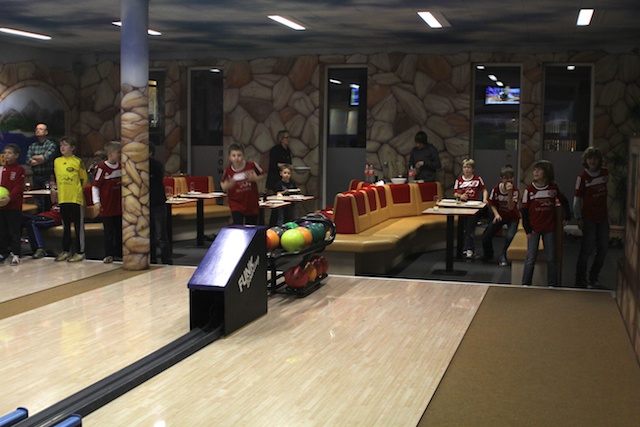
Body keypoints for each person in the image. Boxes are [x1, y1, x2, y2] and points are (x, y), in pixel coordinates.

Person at [521, 160, 570, 287]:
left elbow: (564, 201)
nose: (535, 172)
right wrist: (527, 229)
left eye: (539, 170)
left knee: (551, 258)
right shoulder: (530, 189)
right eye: (534, 170)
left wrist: (568, 216)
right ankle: (526, 283)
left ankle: (552, 284)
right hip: (534, 229)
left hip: (549, 228)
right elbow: (524, 211)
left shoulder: (553, 188)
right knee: (530, 258)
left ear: (546, 172)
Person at [573, 147, 609, 288]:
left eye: (595, 158)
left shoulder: (605, 173)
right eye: (590, 158)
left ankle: (594, 277)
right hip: (589, 218)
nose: (592, 161)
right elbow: (577, 199)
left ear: (599, 160)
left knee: (603, 248)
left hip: (603, 217)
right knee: (586, 250)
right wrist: (578, 218)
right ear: (586, 161)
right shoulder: (582, 177)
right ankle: (580, 279)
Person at [53, 136, 88, 262]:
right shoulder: (57, 161)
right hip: (63, 198)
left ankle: (80, 251)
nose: (62, 147)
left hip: (75, 198)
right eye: (61, 145)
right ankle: (66, 250)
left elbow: (84, 178)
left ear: (72, 148)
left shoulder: (77, 161)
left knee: (78, 227)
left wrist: (77, 190)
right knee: (65, 226)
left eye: (65, 145)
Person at [479, 165, 520, 266]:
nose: (509, 180)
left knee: (510, 236)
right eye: (506, 178)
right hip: (500, 215)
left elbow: (511, 207)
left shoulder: (515, 191)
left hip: (512, 217)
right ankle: (488, 254)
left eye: (511, 178)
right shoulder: (496, 189)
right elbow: (492, 203)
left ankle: (504, 256)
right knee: (486, 236)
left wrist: (509, 193)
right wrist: (496, 215)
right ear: (501, 179)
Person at [92, 141, 122, 263]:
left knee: (119, 231)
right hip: (107, 205)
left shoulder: (121, 167)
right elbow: (95, 186)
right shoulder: (102, 168)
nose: (120, 155)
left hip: (119, 205)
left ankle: (119, 253)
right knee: (109, 231)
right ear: (110, 153)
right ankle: (109, 254)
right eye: (118, 152)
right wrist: (96, 202)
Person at [220, 143, 265, 225]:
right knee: (238, 226)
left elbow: (263, 174)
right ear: (229, 157)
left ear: (243, 156)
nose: (236, 158)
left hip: (251, 202)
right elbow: (222, 184)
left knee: (251, 227)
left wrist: (255, 179)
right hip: (236, 203)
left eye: (239, 155)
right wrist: (226, 186)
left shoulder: (252, 165)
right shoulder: (228, 170)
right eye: (234, 155)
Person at [453, 158, 488, 260]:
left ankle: (470, 249)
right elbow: (455, 193)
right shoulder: (459, 180)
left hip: (473, 208)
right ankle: (463, 248)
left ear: (472, 169)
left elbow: (484, 190)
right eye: (464, 167)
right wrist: (461, 196)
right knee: (463, 229)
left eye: (468, 167)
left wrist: (485, 199)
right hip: (462, 208)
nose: (466, 170)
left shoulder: (477, 179)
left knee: (470, 229)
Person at [0, 144, 26, 265]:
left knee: (14, 231)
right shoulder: (1, 169)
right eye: (5, 153)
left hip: (13, 206)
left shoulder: (20, 170)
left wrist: (9, 198)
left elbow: (18, 187)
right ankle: (3, 252)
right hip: (1, 206)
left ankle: (16, 254)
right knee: (2, 230)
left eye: (9, 153)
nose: (7, 155)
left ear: (16, 155)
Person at [26, 123, 58, 212]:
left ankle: (47, 214)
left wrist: (35, 157)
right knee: (37, 199)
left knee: (48, 198)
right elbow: (29, 161)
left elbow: (46, 158)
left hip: (47, 175)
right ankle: (39, 215)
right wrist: (40, 158)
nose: (38, 130)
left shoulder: (51, 145)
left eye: (40, 129)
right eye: (37, 129)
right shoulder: (33, 146)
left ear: (46, 132)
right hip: (36, 176)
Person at [149, 143, 172, 265]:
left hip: (158, 202)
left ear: (150, 153)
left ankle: (166, 260)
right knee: (150, 234)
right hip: (146, 204)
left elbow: (157, 177)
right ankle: (152, 259)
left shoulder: (156, 165)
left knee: (161, 234)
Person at [22, 193, 62, 259]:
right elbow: (53, 195)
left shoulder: (66, 205)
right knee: (19, 218)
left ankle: (40, 249)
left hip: (53, 219)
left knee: (32, 223)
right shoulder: (55, 203)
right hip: (43, 216)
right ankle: (13, 247)